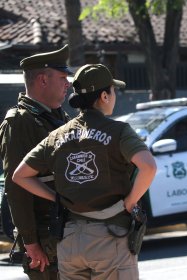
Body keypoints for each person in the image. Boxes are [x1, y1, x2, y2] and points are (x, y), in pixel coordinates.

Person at [12, 63, 157, 280]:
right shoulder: (119, 131)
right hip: (110, 239)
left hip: (69, 242)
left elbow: (19, 175)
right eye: (113, 90)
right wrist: (130, 201)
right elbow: (149, 167)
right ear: (105, 96)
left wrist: (57, 198)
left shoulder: (57, 135)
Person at [0, 45, 72, 279]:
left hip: (66, 229)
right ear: (42, 80)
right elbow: (16, 185)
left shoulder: (60, 117)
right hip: (45, 236)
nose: (68, 83)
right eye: (62, 78)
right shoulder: (20, 122)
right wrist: (30, 242)